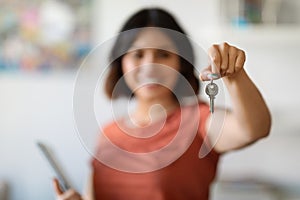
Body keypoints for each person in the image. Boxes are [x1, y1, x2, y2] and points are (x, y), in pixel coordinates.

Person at [53, 8, 271, 200]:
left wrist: (235, 76)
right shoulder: (109, 133)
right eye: (138, 54)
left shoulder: (200, 122)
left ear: (180, 64)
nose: (150, 66)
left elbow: (253, 128)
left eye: (163, 55)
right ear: (121, 64)